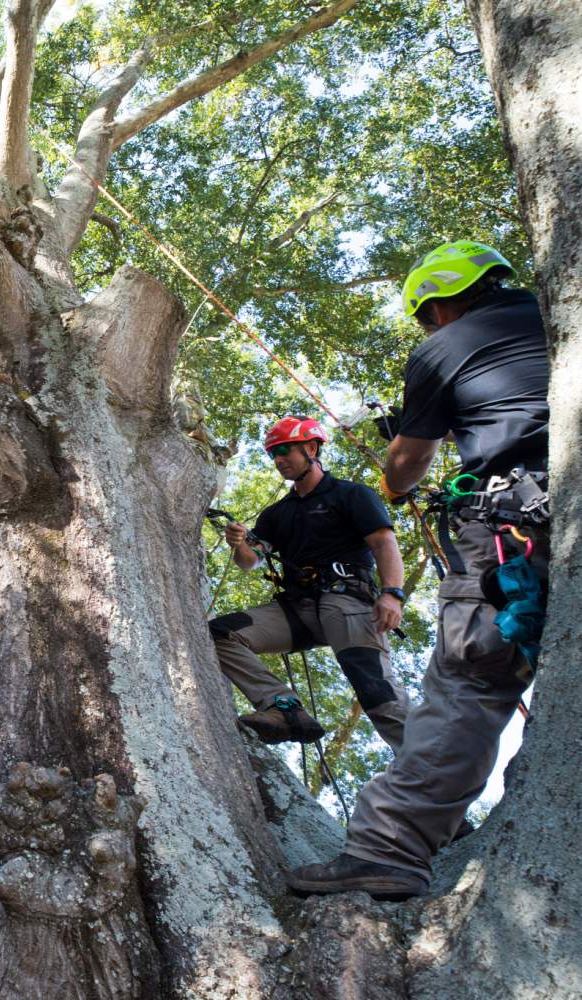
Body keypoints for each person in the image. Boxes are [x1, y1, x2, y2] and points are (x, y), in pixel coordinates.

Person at [288, 240, 551, 901]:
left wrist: (399, 459)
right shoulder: (556, 312)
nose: (431, 329)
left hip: (510, 530)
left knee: (471, 678)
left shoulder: (443, 348)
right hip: (549, 499)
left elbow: (405, 468)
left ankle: (388, 848)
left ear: (438, 303)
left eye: (428, 317)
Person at [209, 417, 409, 750]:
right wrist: (238, 543)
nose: (278, 460)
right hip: (297, 610)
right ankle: (283, 709)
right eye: (274, 454)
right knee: (220, 634)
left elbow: (383, 543)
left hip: (346, 602)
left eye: (285, 451)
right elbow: (249, 560)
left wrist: (392, 594)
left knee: (373, 686)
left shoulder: (350, 494)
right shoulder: (276, 514)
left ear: (311, 449)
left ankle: (423, 763)